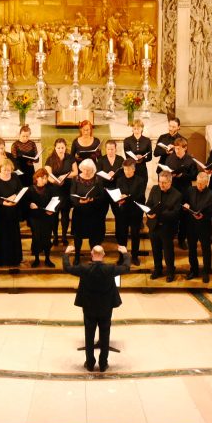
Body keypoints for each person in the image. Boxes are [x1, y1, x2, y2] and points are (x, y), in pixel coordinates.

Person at [63, 243, 132, 372]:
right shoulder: (110, 269)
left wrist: (66, 254)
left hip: (89, 308)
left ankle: (89, 363)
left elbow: (67, 268)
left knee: (89, 336)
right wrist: (125, 253)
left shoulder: (84, 268)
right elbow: (126, 268)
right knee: (105, 335)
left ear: (91, 254)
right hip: (106, 308)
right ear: (104, 255)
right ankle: (103, 363)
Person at [0, 158, 24, 267]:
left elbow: (20, 190)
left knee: (13, 234)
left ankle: (14, 259)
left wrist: (15, 195)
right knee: (1, 235)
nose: (7, 172)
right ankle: (0, 259)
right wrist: (4, 203)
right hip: (0, 212)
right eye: (4, 170)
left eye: (8, 170)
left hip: (13, 210)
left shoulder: (15, 177)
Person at [145, 171, 182, 282]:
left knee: (168, 251)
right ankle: (158, 269)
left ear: (170, 182)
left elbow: (176, 214)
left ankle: (170, 271)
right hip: (153, 225)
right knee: (155, 250)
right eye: (160, 182)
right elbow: (148, 204)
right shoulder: (155, 189)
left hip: (167, 227)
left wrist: (159, 214)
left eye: (164, 183)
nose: (161, 185)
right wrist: (148, 212)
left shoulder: (177, 195)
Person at [163, 136, 198, 249]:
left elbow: (194, 176)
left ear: (185, 148)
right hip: (172, 191)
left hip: (185, 191)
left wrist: (183, 175)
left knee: (184, 217)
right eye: (176, 148)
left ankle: (182, 240)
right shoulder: (170, 159)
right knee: (171, 215)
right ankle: (170, 238)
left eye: (179, 148)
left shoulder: (190, 160)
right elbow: (165, 171)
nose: (177, 151)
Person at [70, 159, 106, 264]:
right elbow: (72, 195)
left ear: (93, 169)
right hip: (80, 212)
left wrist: (93, 199)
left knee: (94, 237)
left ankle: (94, 256)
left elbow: (102, 196)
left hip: (94, 212)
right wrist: (79, 201)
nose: (86, 172)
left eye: (89, 170)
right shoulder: (75, 179)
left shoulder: (98, 179)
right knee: (78, 236)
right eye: (84, 169)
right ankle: (77, 256)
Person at [44, 137, 77, 246]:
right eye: (58, 148)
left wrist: (65, 176)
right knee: (54, 214)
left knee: (65, 214)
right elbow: (47, 175)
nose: (60, 149)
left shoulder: (70, 158)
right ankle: (55, 236)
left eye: (62, 147)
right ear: (55, 148)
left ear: (65, 147)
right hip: (54, 189)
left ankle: (64, 236)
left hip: (67, 188)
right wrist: (55, 181)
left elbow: (75, 172)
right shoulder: (50, 159)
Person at [184, 171, 212, 282]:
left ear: (206, 183)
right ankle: (194, 270)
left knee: (206, 250)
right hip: (191, 224)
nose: (199, 185)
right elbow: (185, 202)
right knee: (192, 249)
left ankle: (206, 271)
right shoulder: (190, 190)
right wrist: (186, 205)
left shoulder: (211, 194)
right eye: (198, 183)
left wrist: (203, 215)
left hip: (204, 225)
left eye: (202, 184)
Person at [113, 159, 146, 264]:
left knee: (135, 234)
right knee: (122, 235)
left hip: (135, 211)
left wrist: (126, 197)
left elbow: (140, 196)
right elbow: (118, 194)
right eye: (125, 169)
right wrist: (120, 198)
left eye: (129, 169)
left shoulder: (140, 180)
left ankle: (135, 256)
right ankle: (122, 256)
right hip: (123, 211)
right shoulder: (119, 180)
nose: (127, 171)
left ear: (134, 169)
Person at [24, 168, 58, 267]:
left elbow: (56, 201)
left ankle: (47, 258)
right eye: (42, 178)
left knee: (47, 238)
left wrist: (52, 209)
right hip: (35, 217)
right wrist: (30, 204)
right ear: (37, 178)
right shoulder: (30, 189)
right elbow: (25, 202)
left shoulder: (50, 188)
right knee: (36, 238)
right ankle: (37, 259)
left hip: (47, 216)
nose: (45, 180)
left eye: (46, 178)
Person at [121, 119, 153, 186]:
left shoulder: (147, 140)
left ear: (142, 128)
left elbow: (150, 157)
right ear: (132, 129)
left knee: (142, 188)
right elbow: (127, 156)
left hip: (142, 169)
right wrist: (135, 158)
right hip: (131, 168)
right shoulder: (127, 140)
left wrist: (142, 158)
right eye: (134, 128)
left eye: (138, 128)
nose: (136, 130)